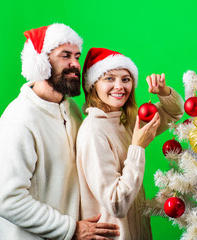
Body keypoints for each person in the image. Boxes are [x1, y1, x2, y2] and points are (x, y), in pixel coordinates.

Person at [0, 24, 120, 240]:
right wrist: (71, 229)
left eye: (77, 56)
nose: (75, 64)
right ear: (40, 62)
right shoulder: (18, 121)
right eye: (65, 56)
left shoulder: (73, 110)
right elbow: (8, 200)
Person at [76, 47, 184, 239]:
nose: (119, 86)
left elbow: (174, 112)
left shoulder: (125, 120)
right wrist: (137, 147)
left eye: (125, 79)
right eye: (109, 78)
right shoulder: (93, 132)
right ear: (93, 85)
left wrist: (163, 92)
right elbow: (116, 204)